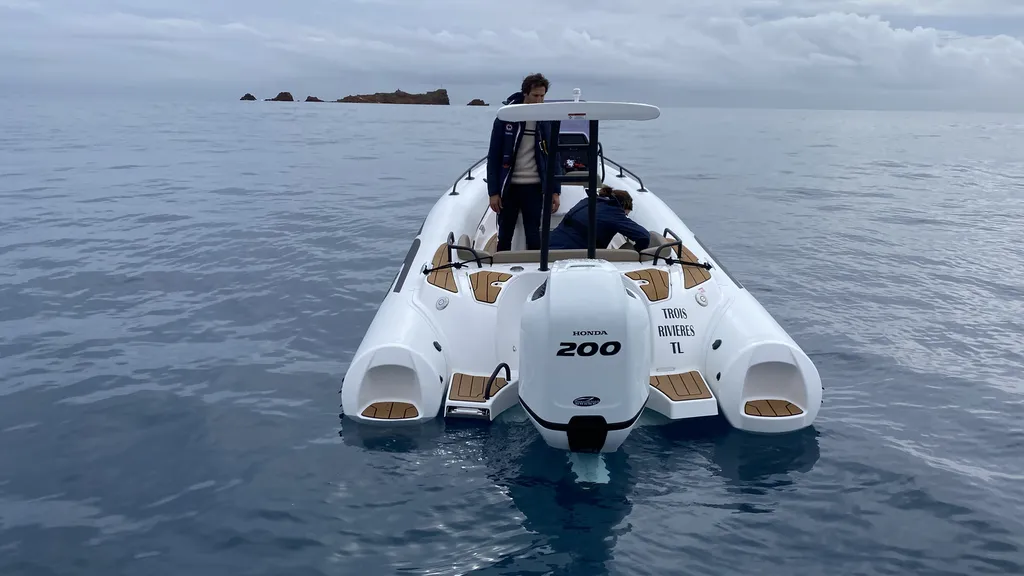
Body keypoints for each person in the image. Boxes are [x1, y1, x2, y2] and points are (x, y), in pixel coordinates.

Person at [486, 73, 562, 252]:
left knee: (534, 234)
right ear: (525, 93)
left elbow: (554, 155)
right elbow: (493, 156)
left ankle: (536, 270)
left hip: (534, 186)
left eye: (542, 96)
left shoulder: (546, 119)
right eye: (535, 95)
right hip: (509, 187)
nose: (539, 100)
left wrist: (555, 190)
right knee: (504, 235)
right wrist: (493, 192)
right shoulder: (506, 118)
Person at [548, 185, 651, 251]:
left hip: (550, 247)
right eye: (625, 214)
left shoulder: (587, 201)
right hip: (570, 255)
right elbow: (644, 236)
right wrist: (635, 253)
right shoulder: (613, 213)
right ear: (623, 207)